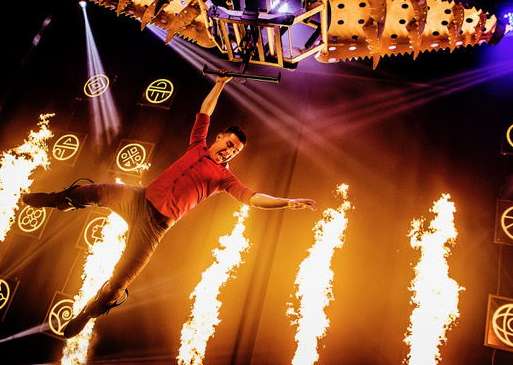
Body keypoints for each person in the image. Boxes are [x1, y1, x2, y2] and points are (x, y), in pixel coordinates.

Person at [23, 73, 316, 338]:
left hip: (154, 227)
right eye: (228, 144)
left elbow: (253, 198)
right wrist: (219, 84)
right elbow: (205, 112)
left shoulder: (224, 179)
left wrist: (286, 203)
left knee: (118, 284)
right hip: (138, 199)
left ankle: (89, 312)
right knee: (94, 191)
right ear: (218, 139)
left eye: (235, 152)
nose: (229, 152)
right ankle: (58, 200)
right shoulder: (197, 145)